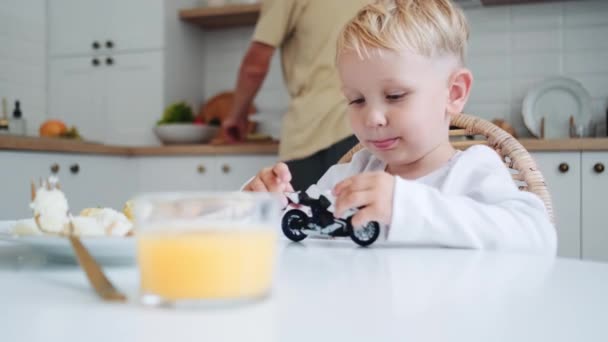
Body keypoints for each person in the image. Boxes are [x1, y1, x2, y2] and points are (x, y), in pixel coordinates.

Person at [242, 0, 556, 253]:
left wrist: (404, 205)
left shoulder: (473, 170)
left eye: (395, 96)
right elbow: (302, 232)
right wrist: (266, 207)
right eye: (356, 100)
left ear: (455, 92)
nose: (372, 118)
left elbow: (537, 236)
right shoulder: (352, 173)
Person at [223, 0, 369, 191]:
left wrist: (237, 116)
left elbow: (254, 67)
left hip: (312, 131)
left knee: (295, 214)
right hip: (362, 125)